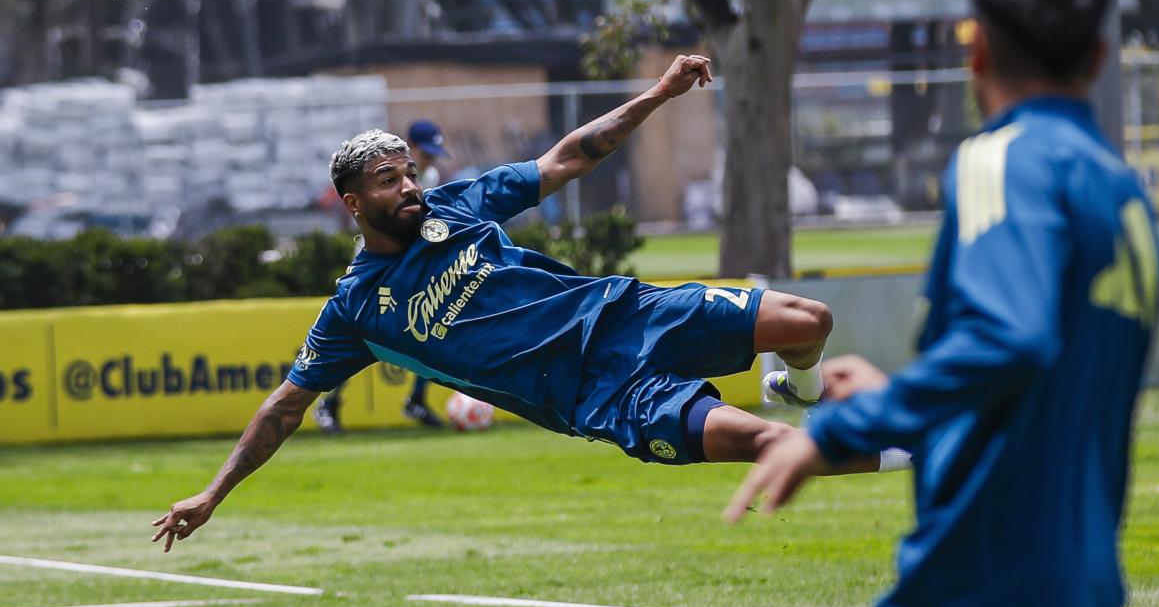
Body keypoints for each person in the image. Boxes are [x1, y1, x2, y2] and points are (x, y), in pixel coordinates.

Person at [152, 55, 898, 552]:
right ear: (353, 201)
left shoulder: (459, 203)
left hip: (631, 312)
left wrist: (661, 93)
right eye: (388, 180)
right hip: (601, 394)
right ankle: (924, 450)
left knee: (808, 321)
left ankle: (799, 388)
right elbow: (284, 407)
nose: (409, 187)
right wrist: (213, 493)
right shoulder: (356, 311)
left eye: (408, 173)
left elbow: (570, 155)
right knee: (766, 446)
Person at [726, 0, 1159, 607]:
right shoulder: (1125, 197)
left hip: (980, 581)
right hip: (1080, 581)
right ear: (1097, 59)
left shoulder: (1002, 158)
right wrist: (895, 399)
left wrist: (839, 431)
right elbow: (1034, 394)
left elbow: (1009, 340)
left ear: (978, 54)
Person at [312, 119, 452, 432]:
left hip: (412, 259)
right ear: (411, 146)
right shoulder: (389, 173)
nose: (430, 159)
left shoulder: (425, 176)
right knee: (361, 334)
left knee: (430, 320)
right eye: (426, 151)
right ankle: (330, 403)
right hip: (377, 262)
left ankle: (416, 399)